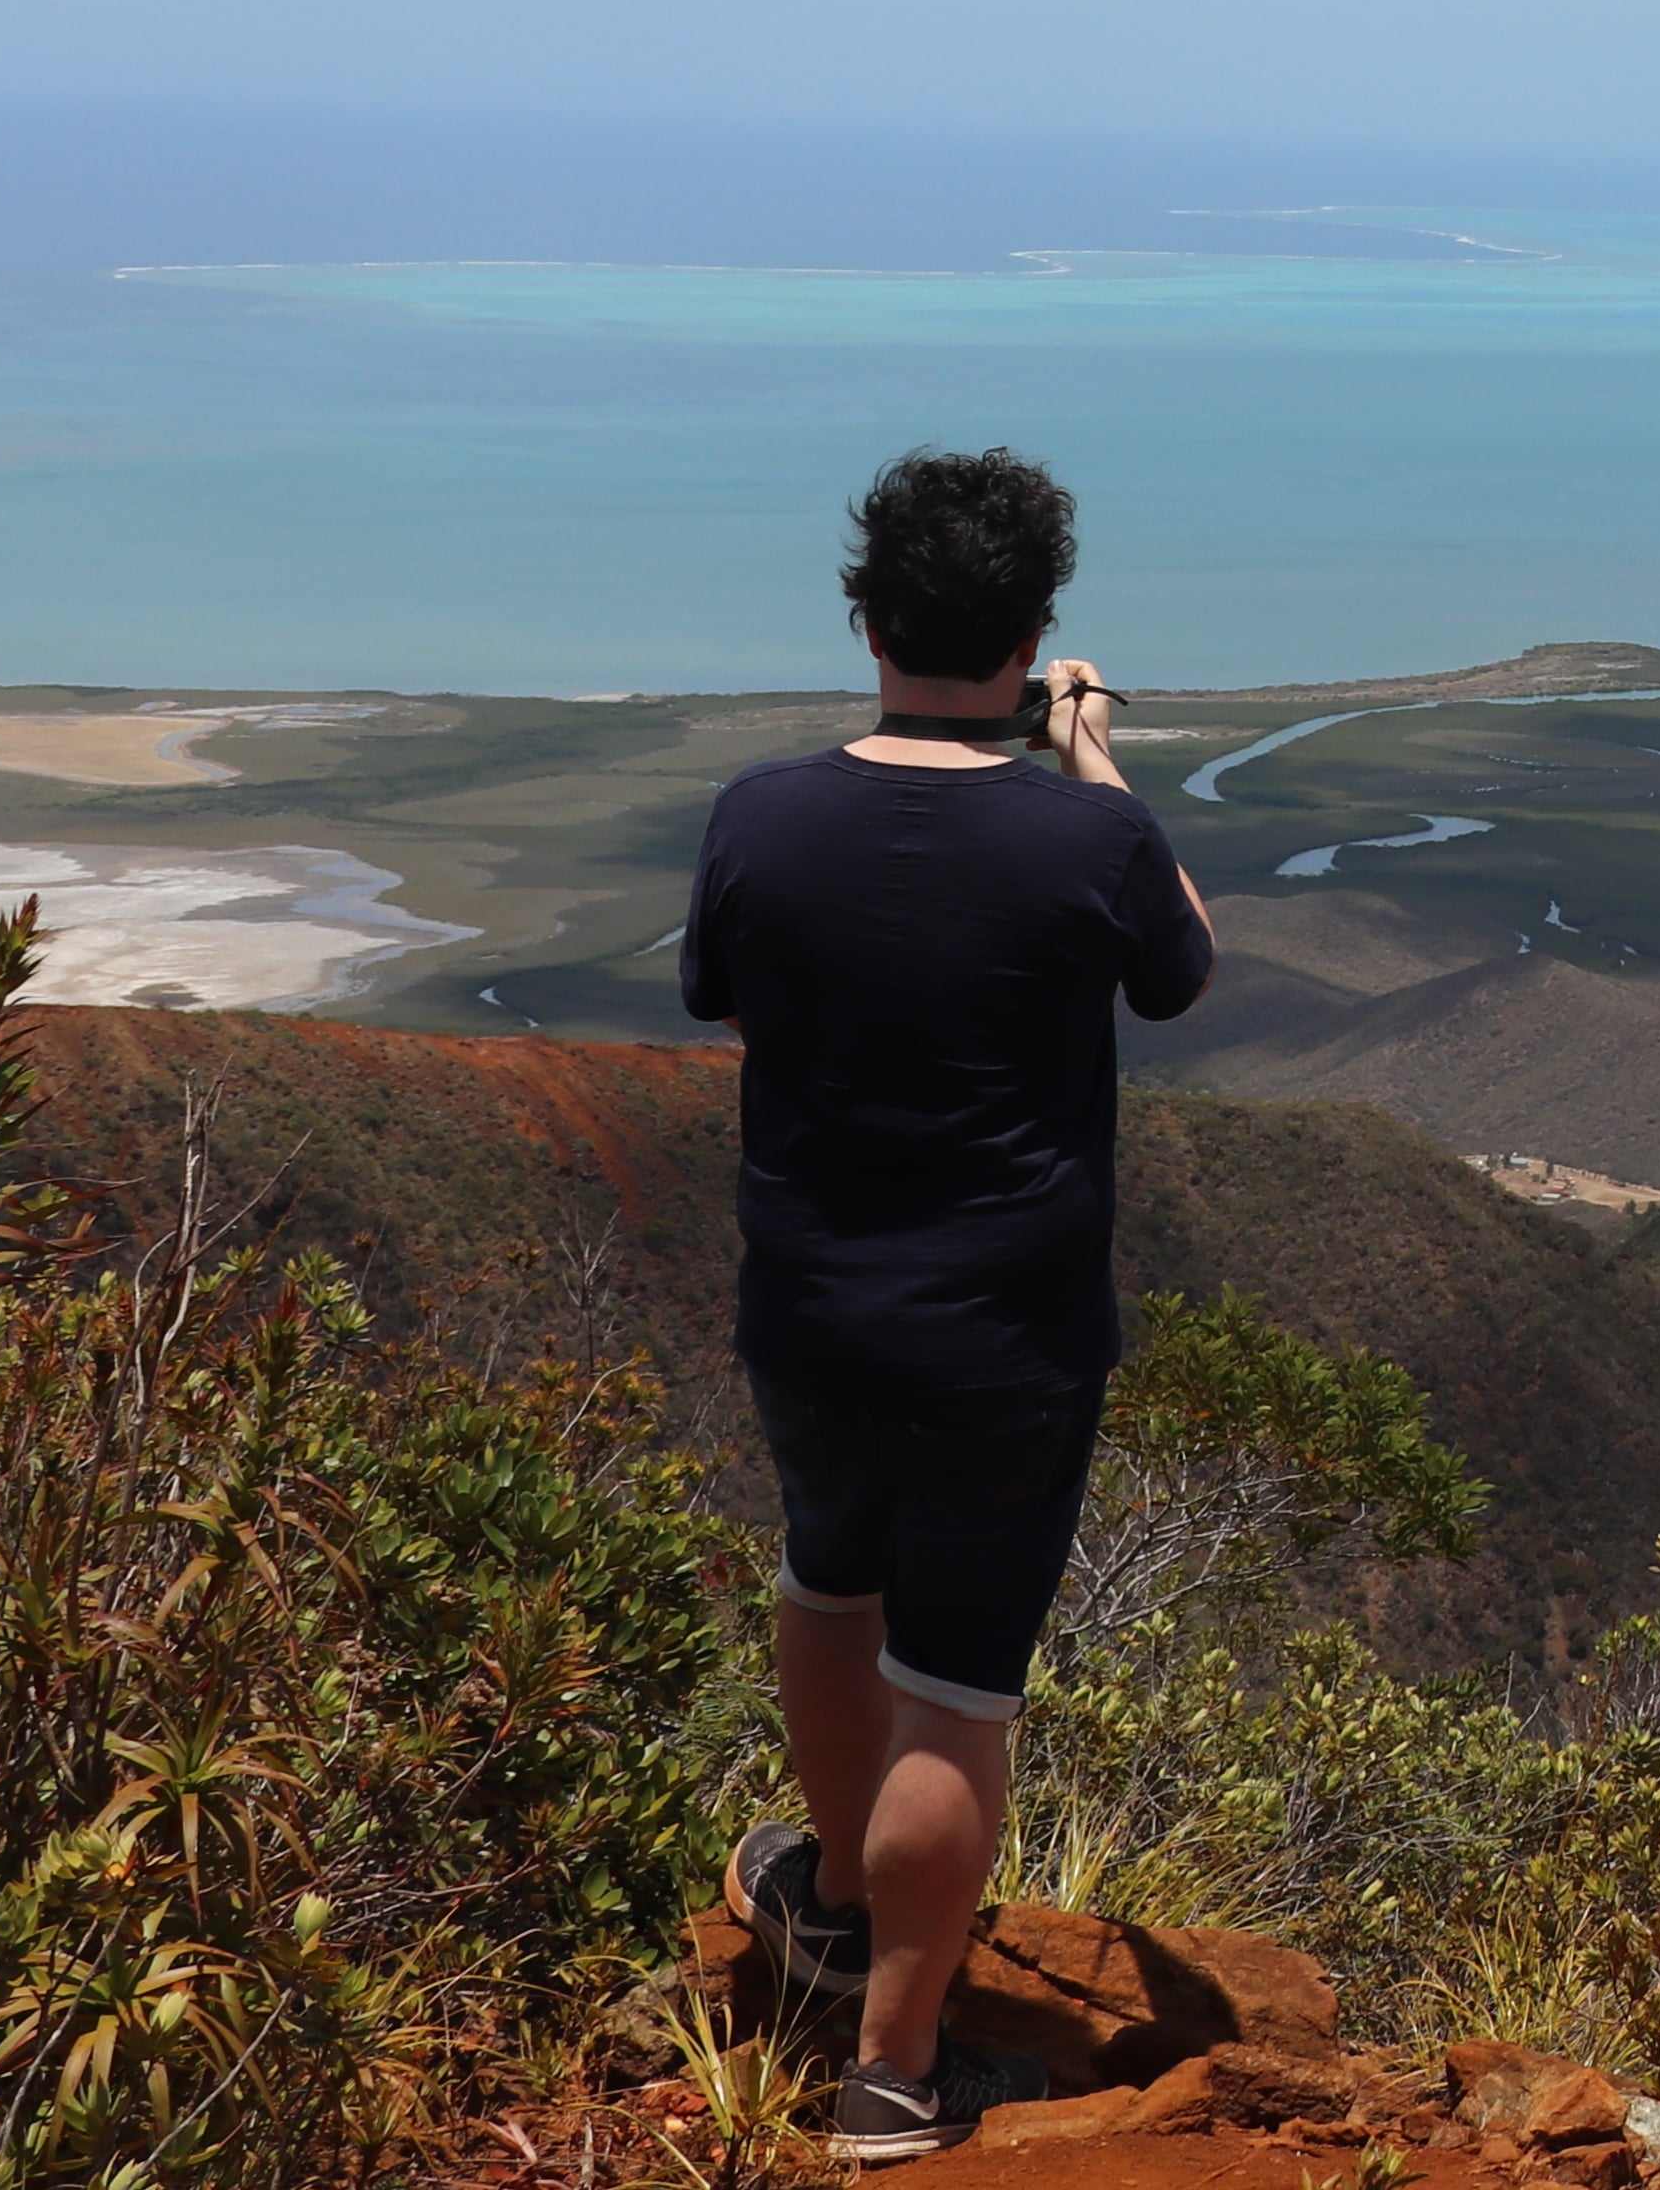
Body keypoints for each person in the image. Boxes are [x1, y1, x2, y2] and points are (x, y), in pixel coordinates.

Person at [684, 445, 1216, 2165]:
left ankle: (830, 1904)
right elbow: (1182, 966)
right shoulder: (1090, 836)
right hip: (1005, 1341)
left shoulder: (759, 815)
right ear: (1034, 628)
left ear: (867, 619)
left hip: (812, 1313)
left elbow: (715, 988)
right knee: (961, 1690)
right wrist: (1088, 749)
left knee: (828, 1586)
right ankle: (896, 2074)